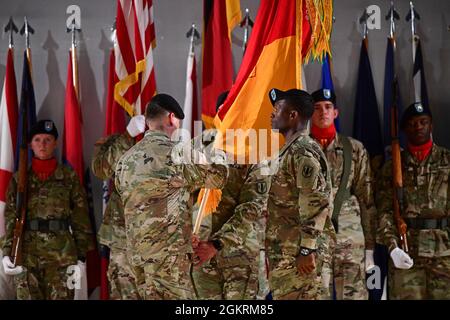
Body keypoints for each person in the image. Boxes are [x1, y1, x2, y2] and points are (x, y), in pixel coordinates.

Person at [115, 93, 228, 300]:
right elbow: (218, 178)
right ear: (171, 118)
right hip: (168, 257)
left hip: (138, 256)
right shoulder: (177, 154)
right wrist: (220, 149)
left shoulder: (125, 160)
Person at [1, 120, 94, 299]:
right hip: (26, 255)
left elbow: (80, 216)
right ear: (30, 145)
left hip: (62, 256)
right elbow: (11, 218)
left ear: (55, 143)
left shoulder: (69, 177)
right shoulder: (19, 180)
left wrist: (82, 255)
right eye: (37, 140)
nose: (42, 144)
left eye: (47, 139)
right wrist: (6, 253)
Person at [191, 92, 271, 300]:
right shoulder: (199, 146)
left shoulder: (256, 151)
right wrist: (185, 236)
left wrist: (217, 244)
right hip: (200, 254)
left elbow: (251, 208)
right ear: (218, 115)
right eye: (225, 113)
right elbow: (178, 194)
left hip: (239, 255)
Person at [376, 102, 450, 299]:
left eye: (423, 122)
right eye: (412, 124)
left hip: (444, 252)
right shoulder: (392, 167)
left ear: (431, 125)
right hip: (406, 249)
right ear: (404, 129)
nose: (418, 127)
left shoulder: (447, 160)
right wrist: (393, 248)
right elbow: (384, 211)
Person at [265, 88, 334, 300]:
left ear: (293, 115)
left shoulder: (302, 151)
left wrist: (307, 249)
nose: (272, 114)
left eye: (277, 109)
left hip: (299, 257)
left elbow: (315, 202)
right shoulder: (289, 150)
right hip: (287, 252)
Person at [310, 89, 377, 299]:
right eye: (317, 108)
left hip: (350, 239)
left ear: (336, 113)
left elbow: (366, 199)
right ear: (310, 114)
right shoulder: (300, 151)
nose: (323, 113)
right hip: (313, 242)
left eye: (328, 107)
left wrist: (370, 248)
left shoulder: (355, 149)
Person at [91, 115, 146, 299]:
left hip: (155, 238)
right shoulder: (115, 142)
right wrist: (128, 135)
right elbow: (101, 170)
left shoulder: (166, 143)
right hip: (122, 236)